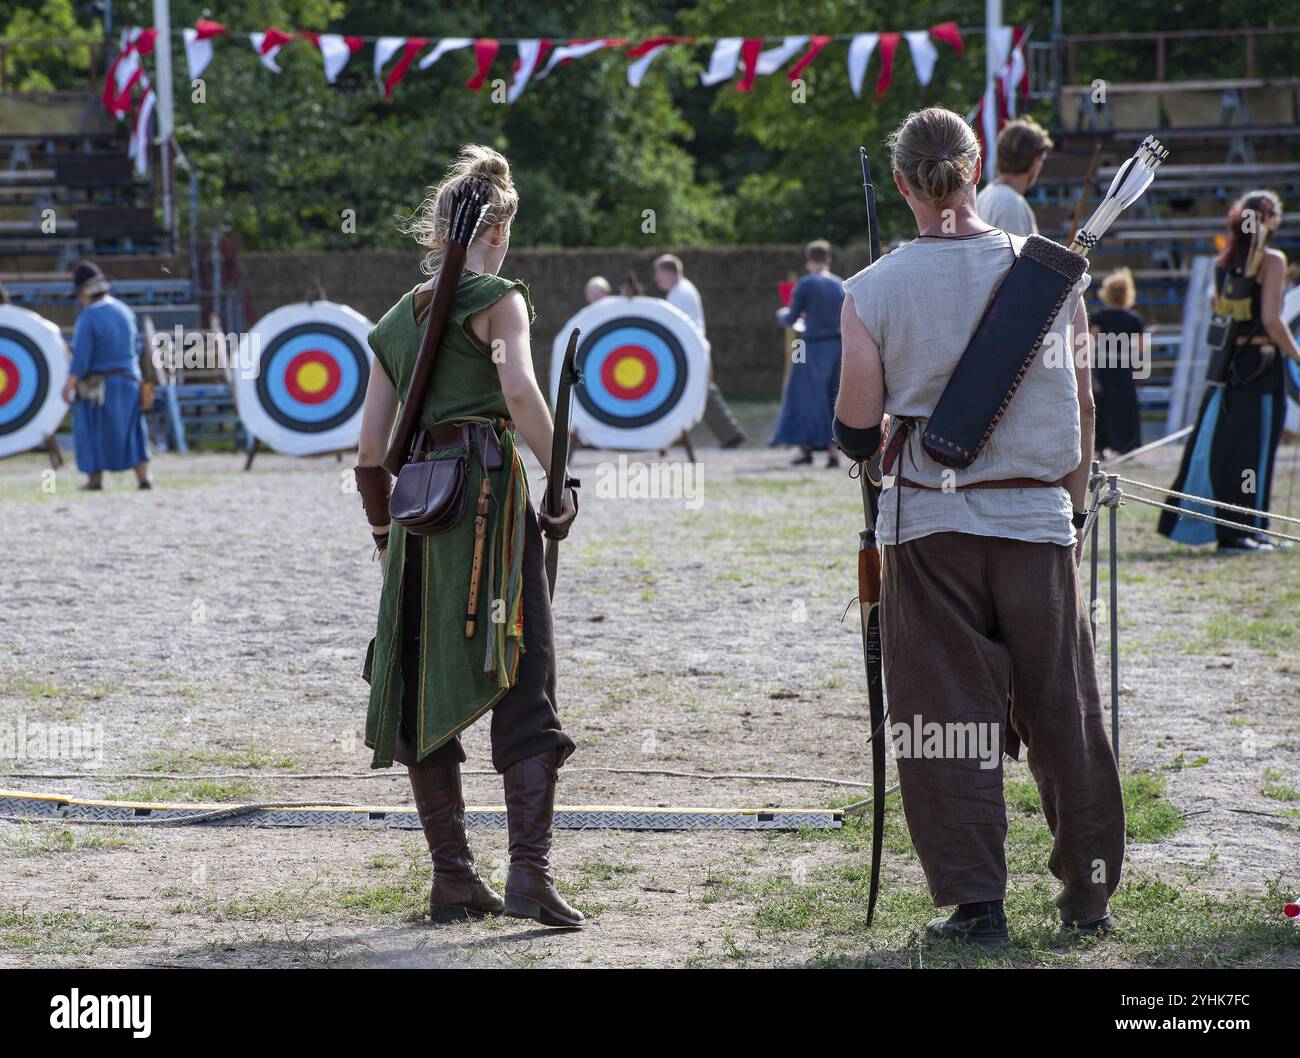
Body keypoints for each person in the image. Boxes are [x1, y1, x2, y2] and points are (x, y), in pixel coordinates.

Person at [834, 107, 1124, 946]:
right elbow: (1083, 406)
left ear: (902, 184)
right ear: (974, 170)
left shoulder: (872, 289)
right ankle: (1090, 899)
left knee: (943, 715)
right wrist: (1067, 511)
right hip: (1036, 517)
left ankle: (975, 905)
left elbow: (856, 430)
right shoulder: (1053, 277)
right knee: (1064, 712)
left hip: (930, 529)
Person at [353, 145, 584, 928]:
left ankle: (453, 877)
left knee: (421, 687)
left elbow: (366, 457)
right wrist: (562, 480)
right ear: (500, 224)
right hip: (487, 499)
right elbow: (519, 392)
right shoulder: (499, 299)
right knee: (523, 673)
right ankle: (526, 875)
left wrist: (388, 540)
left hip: (419, 516)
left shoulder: (393, 321)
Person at [1158, 190, 1300, 553]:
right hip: (1261, 367)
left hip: (1230, 367)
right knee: (1255, 449)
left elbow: (1217, 309)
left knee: (1234, 449)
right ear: (1270, 220)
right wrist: (1297, 356)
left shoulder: (1225, 262)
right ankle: (1242, 531)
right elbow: (1271, 319)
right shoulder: (1271, 261)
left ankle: (1249, 528)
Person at [62, 261, 151, 491]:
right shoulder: (125, 310)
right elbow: (137, 347)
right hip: (131, 379)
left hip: (101, 383)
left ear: (84, 292)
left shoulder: (88, 318)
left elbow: (81, 358)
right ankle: (143, 478)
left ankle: (95, 480)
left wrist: (69, 384)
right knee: (133, 428)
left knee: (91, 426)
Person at [653, 253, 746, 448]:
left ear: (668, 272)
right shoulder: (681, 291)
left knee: (702, 393)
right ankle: (728, 434)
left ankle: (729, 434)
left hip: (691, 352)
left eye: (659, 273)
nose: (657, 278)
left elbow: (679, 327)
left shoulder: (680, 293)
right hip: (692, 351)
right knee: (700, 393)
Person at [769, 239, 845, 467]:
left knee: (805, 397)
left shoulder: (805, 284)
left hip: (809, 347)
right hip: (838, 348)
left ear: (809, 261)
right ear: (828, 260)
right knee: (834, 398)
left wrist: (781, 314)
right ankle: (833, 452)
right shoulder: (841, 284)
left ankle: (806, 450)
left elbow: (791, 318)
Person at [1090, 267, 1146, 457]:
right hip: (1123, 369)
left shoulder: (1099, 317)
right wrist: (1140, 372)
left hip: (1103, 367)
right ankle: (1125, 446)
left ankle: (1099, 447)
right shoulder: (1134, 319)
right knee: (1123, 406)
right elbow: (1141, 350)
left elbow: (1090, 341)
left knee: (1101, 406)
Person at [975, 116, 1053, 237]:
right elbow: (1013, 256)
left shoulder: (985, 195)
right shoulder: (1010, 204)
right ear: (1034, 162)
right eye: (1041, 159)